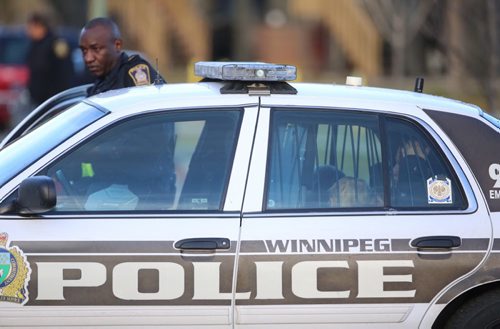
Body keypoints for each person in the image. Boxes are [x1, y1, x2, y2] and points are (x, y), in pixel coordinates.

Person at [79, 17, 165, 96]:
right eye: (84, 51)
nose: (88, 58)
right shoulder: (99, 82)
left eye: (96, 49)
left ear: (117, 45)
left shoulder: (134, 73)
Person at [26, 12, 75, 107]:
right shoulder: (35, 45)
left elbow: (64, 73)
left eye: (31, 28)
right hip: (37, 100)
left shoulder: (56, 44)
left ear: (40, 26)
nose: (28, 31)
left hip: (52, 100)